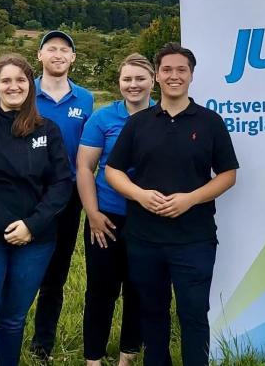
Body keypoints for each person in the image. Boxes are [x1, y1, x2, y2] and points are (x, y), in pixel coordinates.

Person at [105, 42, 239, 366]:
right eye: (167, 70)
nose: (174, 76)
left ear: (191, 75)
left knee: (193, 314)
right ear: (157, 76)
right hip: (144, 239)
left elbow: (228, 174)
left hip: (194, 239)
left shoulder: (210, 122)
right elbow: (112, 170)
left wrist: (191, 199)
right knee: (152, 313)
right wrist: (139, 194)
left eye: (181, 70)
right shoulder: (138, 123)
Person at [0, 54, 72, 366]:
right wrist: (9, 224)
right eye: (6, 80)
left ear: (30, 86)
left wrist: (31, 226)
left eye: (20, 80)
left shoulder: (48, 130)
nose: (14, 86)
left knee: (12, 321)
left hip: (35, 241)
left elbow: (61, 184)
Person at [77, 54, 155, 365]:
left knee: (138, 289)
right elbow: (84, 167)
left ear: (153, 81)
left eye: (140, 79)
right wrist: (93, 214)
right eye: (127, 79)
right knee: (100, 290)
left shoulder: (165, 116)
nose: (133, 85)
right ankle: (93, 358)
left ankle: (127, 356)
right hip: (105, 217)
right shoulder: (102, 118)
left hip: (148, 219)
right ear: (119, 83)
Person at [30, 30, 94, 359]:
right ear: (39, 55)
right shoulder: (25, 93)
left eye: (64, 49)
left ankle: (42, 344)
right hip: (26, 195)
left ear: (73, 58)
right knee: (20, 267)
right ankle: (6, 333)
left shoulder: (85, 99)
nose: (58, 54)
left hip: (68, 197)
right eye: (51, 48)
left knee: (56, 273)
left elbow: (88, 153)